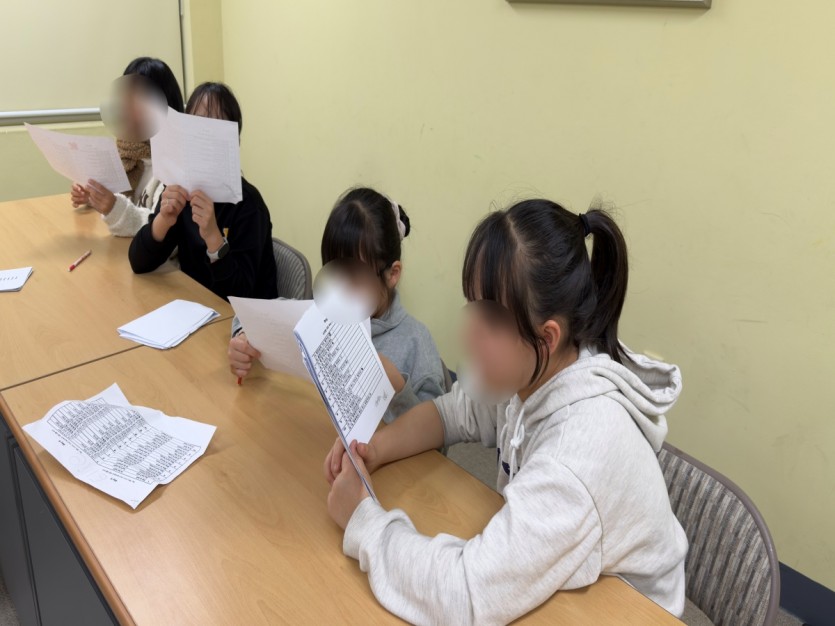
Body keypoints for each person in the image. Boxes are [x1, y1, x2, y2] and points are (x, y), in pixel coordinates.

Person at [323, 199, 688, 624]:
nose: (469, 333)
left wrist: (363, 521)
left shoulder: (576, 454)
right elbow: (450, 414)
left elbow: (465, 594)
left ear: (546, 337)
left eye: (492, 320)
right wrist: (374, 448)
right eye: (473, 305)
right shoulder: (535, 370)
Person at [228, 187, 446, 421]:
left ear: (392, 274)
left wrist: (396, 388)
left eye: (356, 277)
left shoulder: (415, 343)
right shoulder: (328, 312)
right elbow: (256, 315)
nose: (342, 289)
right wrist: (243, 339)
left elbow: (436, 434)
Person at [128, 82, 277, 300]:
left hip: (241, 318)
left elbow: (241, 294)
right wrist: (163, 220)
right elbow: (139, 262)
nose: (204, 136)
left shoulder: (248, 205)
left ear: (233, 141)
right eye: (196, 124)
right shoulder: (180, 189)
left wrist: (213, 236)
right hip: (196, 306)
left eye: (215, 126)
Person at [71, 57, 184, 237]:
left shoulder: (176, 161)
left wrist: (113, 207)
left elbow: (159, 225)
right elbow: (119, 200)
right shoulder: (127, 150)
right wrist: (93, 196)